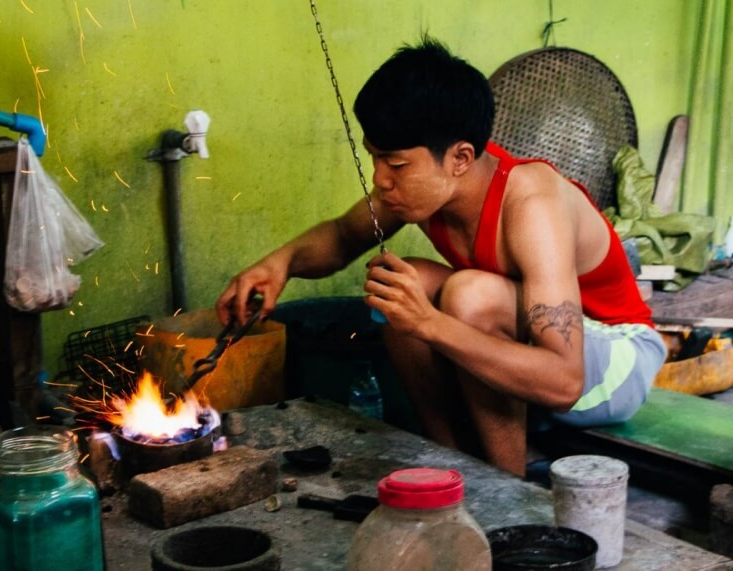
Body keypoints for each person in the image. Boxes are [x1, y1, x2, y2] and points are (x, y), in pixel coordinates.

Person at [216, 37, 667, 476]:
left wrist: (429, 324)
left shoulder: (532, 203)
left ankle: (506, 490)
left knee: (469, 294)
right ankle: (449, 464)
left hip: (614, 366)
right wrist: (278, 265)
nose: (381, 179)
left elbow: (565, 381)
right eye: (375, 159)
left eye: (395, 165)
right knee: (399, 281)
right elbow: (340, 236)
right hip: (536, 368)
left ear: (460, 158)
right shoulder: (419, 191)